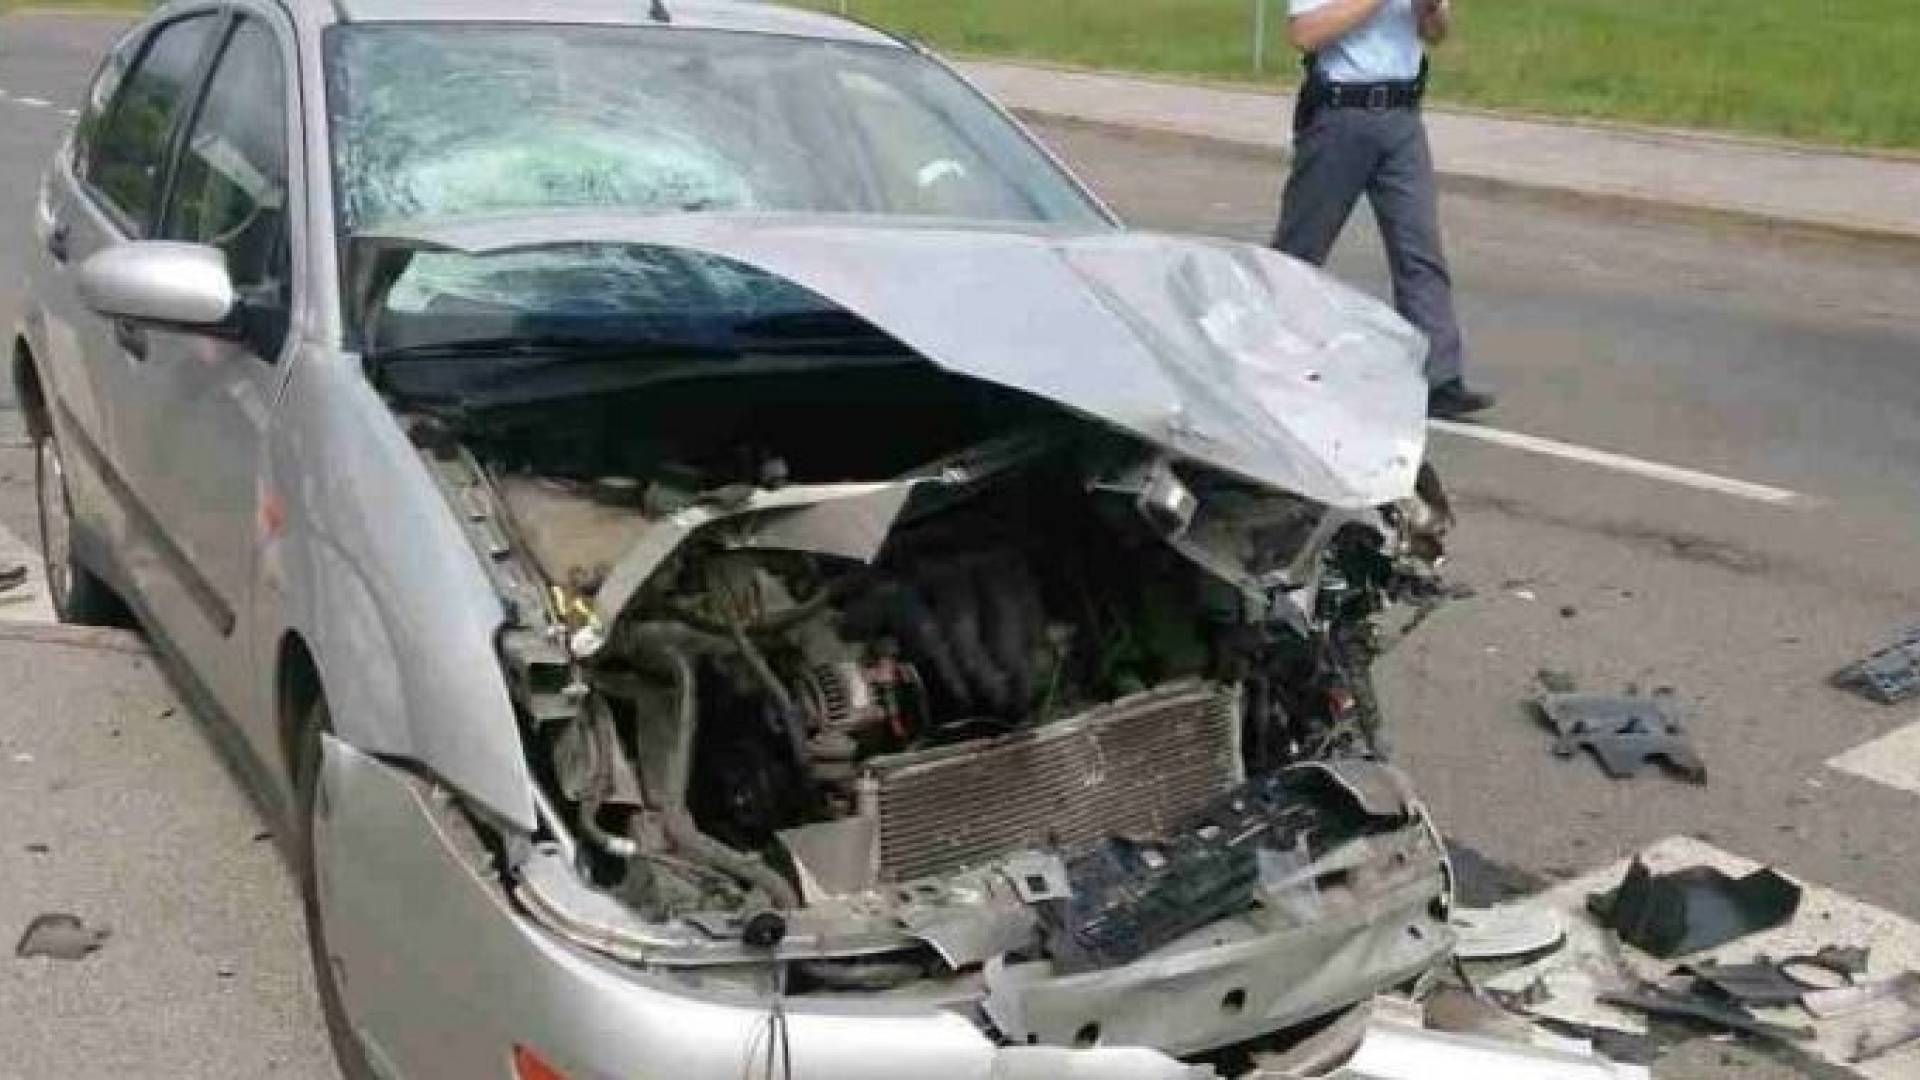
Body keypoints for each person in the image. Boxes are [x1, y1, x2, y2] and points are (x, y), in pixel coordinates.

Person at [1276, 0, 1495, 418]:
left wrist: (1430, 10)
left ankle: (1439, 377)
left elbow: (1436, 34)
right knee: (1300, 250)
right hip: (1340, 115)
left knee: (1419, 249)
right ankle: (1267, 357)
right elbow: (1305, 33)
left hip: (1402, 116)